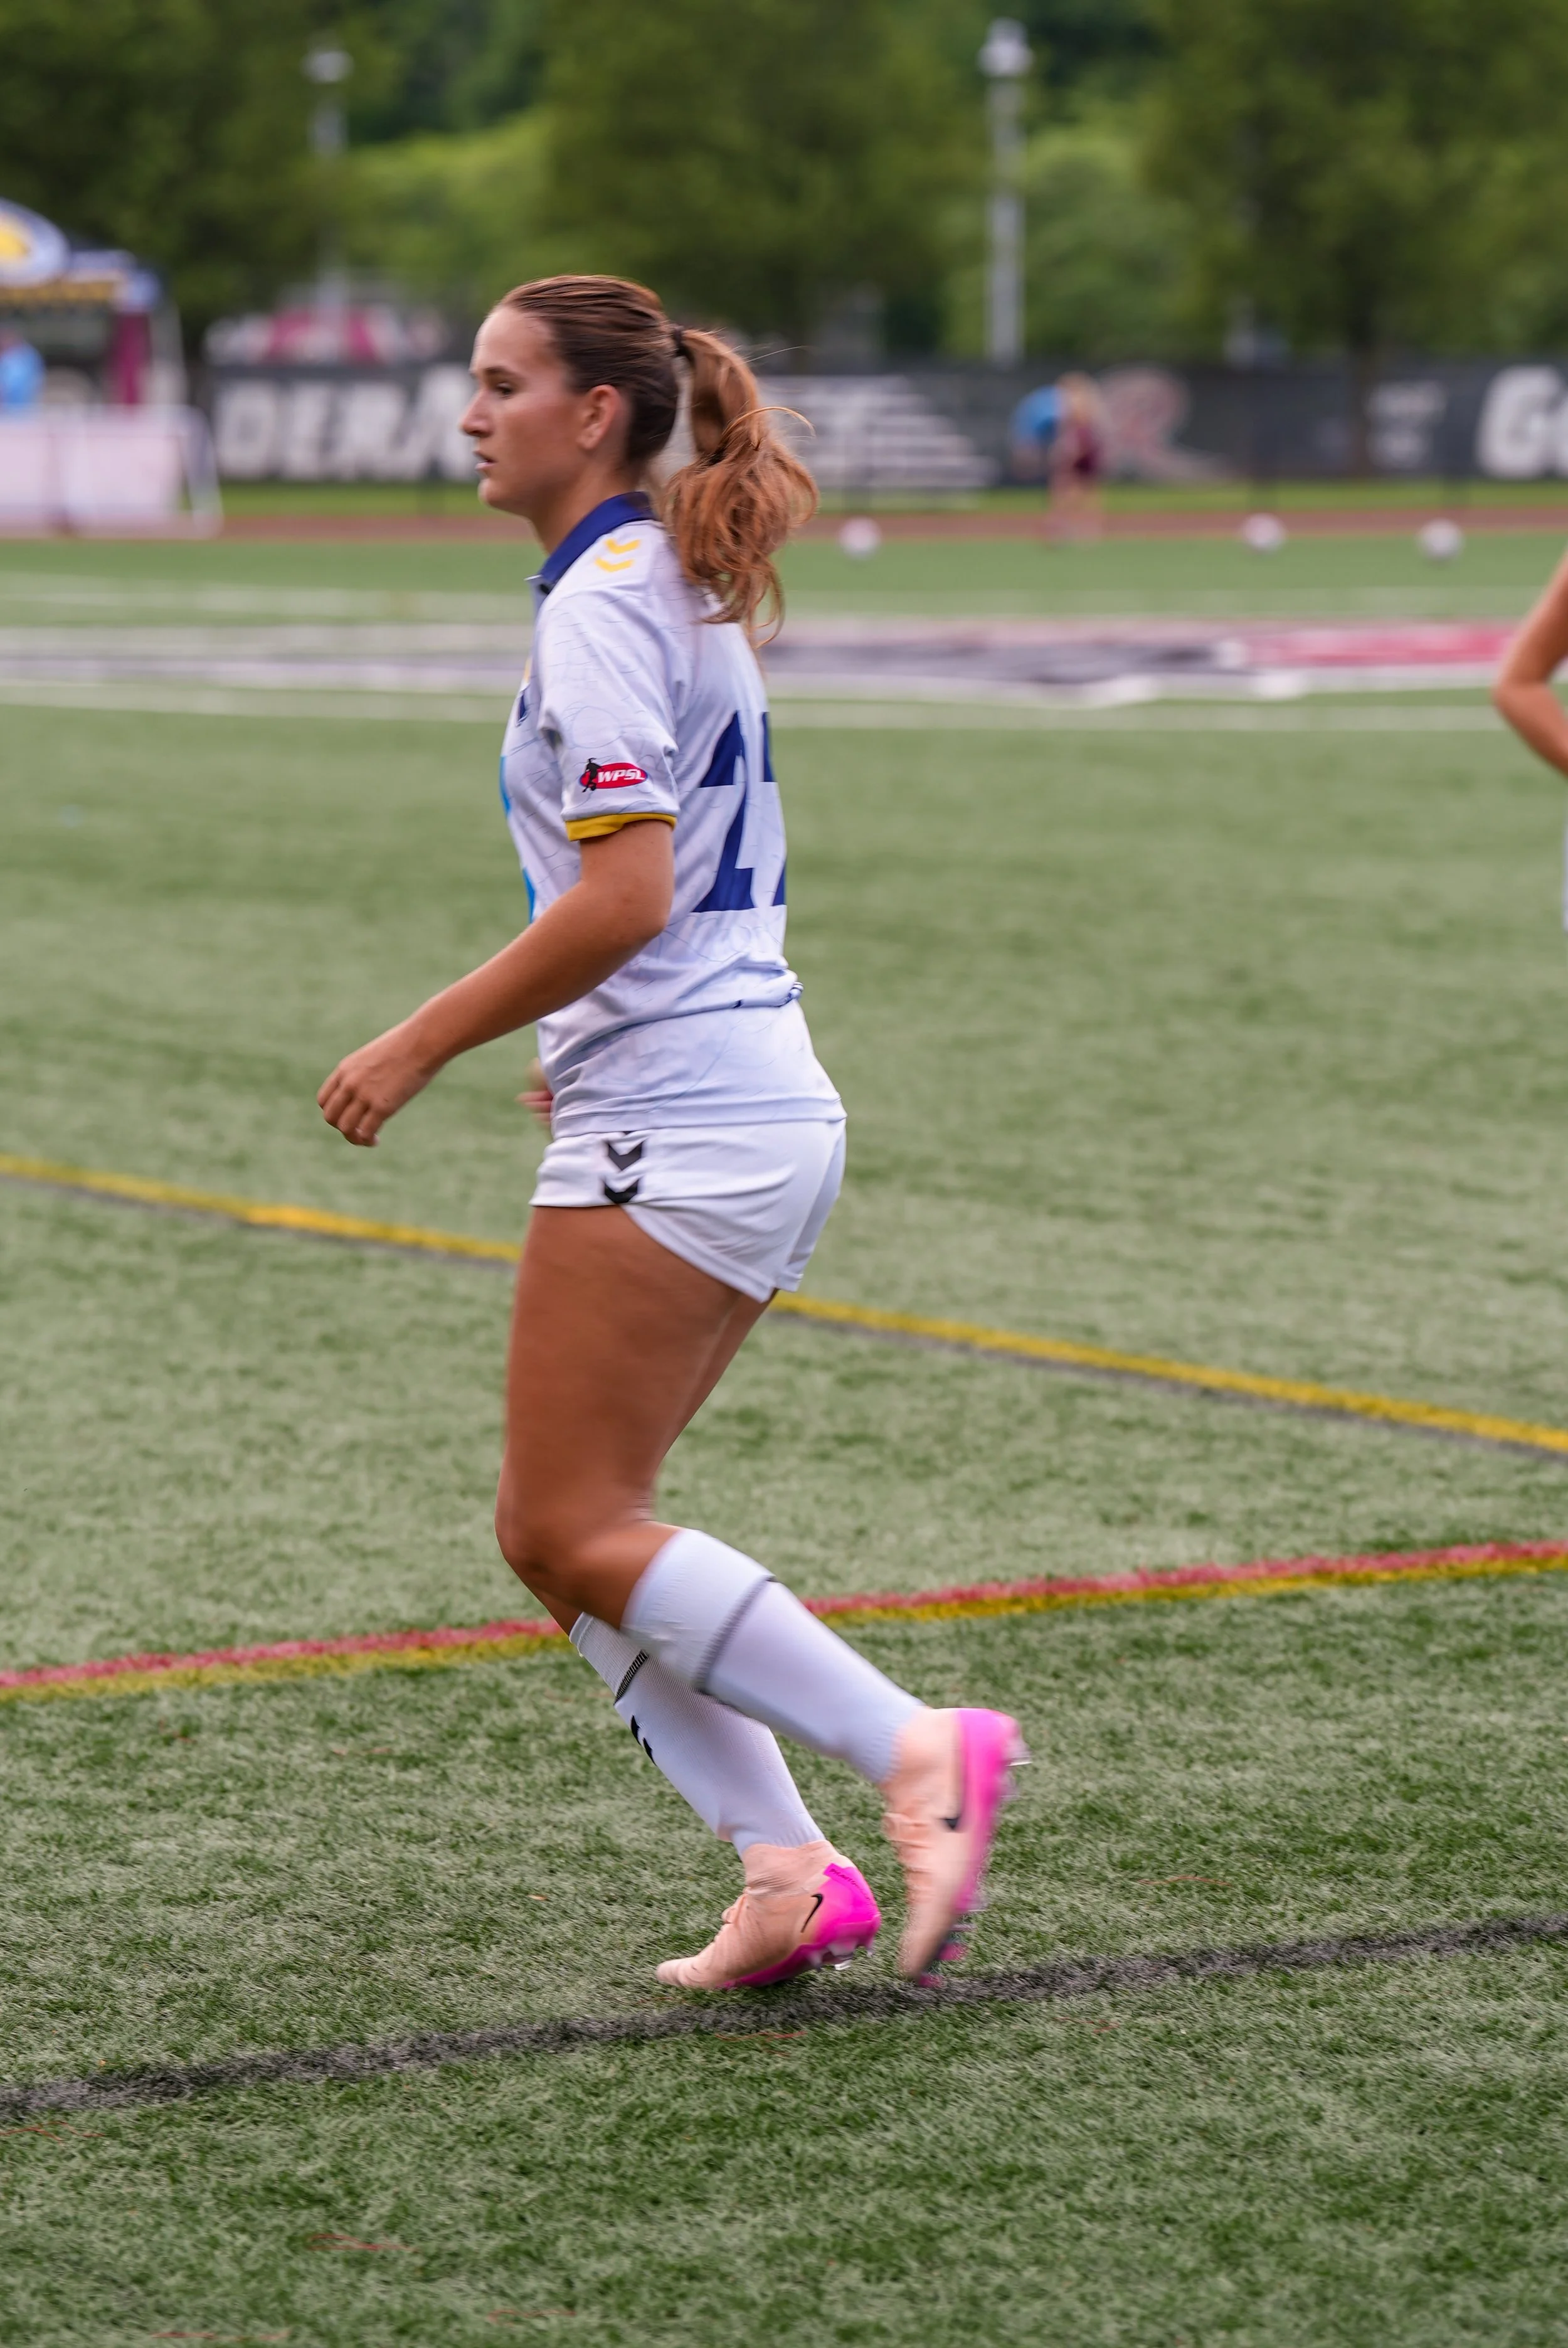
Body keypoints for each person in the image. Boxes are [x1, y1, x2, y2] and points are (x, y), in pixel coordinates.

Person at [317, 275, 1025, 1994]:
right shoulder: (654, 579)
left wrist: (417, 1040)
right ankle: (787, 1871)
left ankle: (913, 1747)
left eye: (503, 383)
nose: (470, 413)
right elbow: (666, 878)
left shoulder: (605, 605)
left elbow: (632, 888)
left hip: (693, 1111)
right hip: (720, 1093)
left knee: (572, 1520)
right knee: (558, 1523)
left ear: (598, 415)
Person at [1048, 373, 1106, 543]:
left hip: (1079, 448)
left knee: (1065, 489)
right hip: (1088, 449)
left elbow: (1074, 432)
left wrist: (1067, 452)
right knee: (1085, 492)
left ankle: (1062, 529)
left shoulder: (1073, 403)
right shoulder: (1090, 403)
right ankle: (1087, 531)